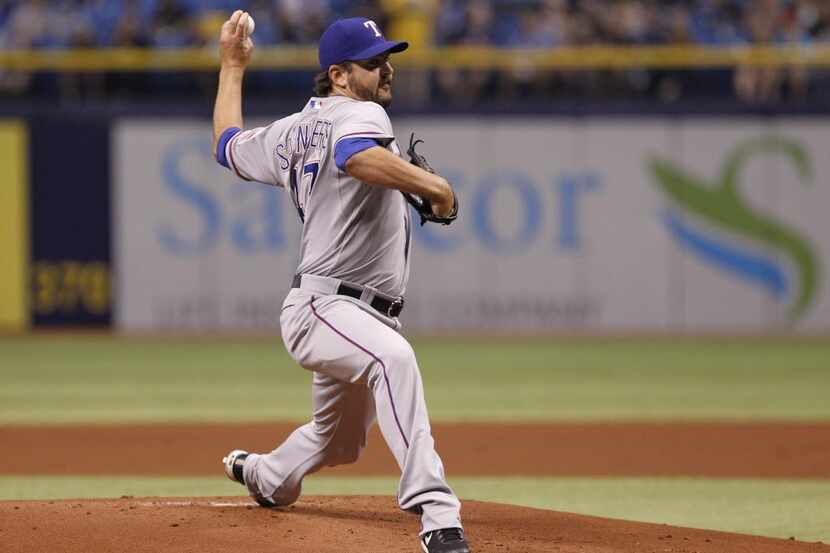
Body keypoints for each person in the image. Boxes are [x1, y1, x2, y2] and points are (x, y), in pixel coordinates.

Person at [212, 10, 469, 553]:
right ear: (339, 75)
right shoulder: (360, 115)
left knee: (340, 441)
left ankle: (264, 475)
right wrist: (436, 186)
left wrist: (232, 68)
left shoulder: (289, 130)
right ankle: (437, 513)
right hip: (327, 308)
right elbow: (355, 157)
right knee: (393, 359)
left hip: (340, 310)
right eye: (373, 63)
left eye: (388, 61)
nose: (386, 71)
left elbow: (228, 145)